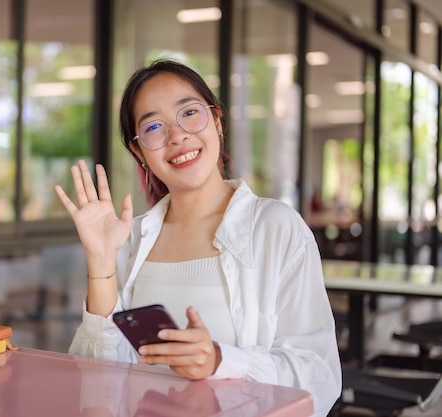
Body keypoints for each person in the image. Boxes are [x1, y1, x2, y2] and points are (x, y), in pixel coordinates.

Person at [54, 59, 341, 417]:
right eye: (154, 126)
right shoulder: (131, 240)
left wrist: (220, 361)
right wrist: (100, 260)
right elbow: (96, 381)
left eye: (189, 112)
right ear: (139, 152)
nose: (177, 136)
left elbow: (320, 377)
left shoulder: (276, 228)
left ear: (217, 122)